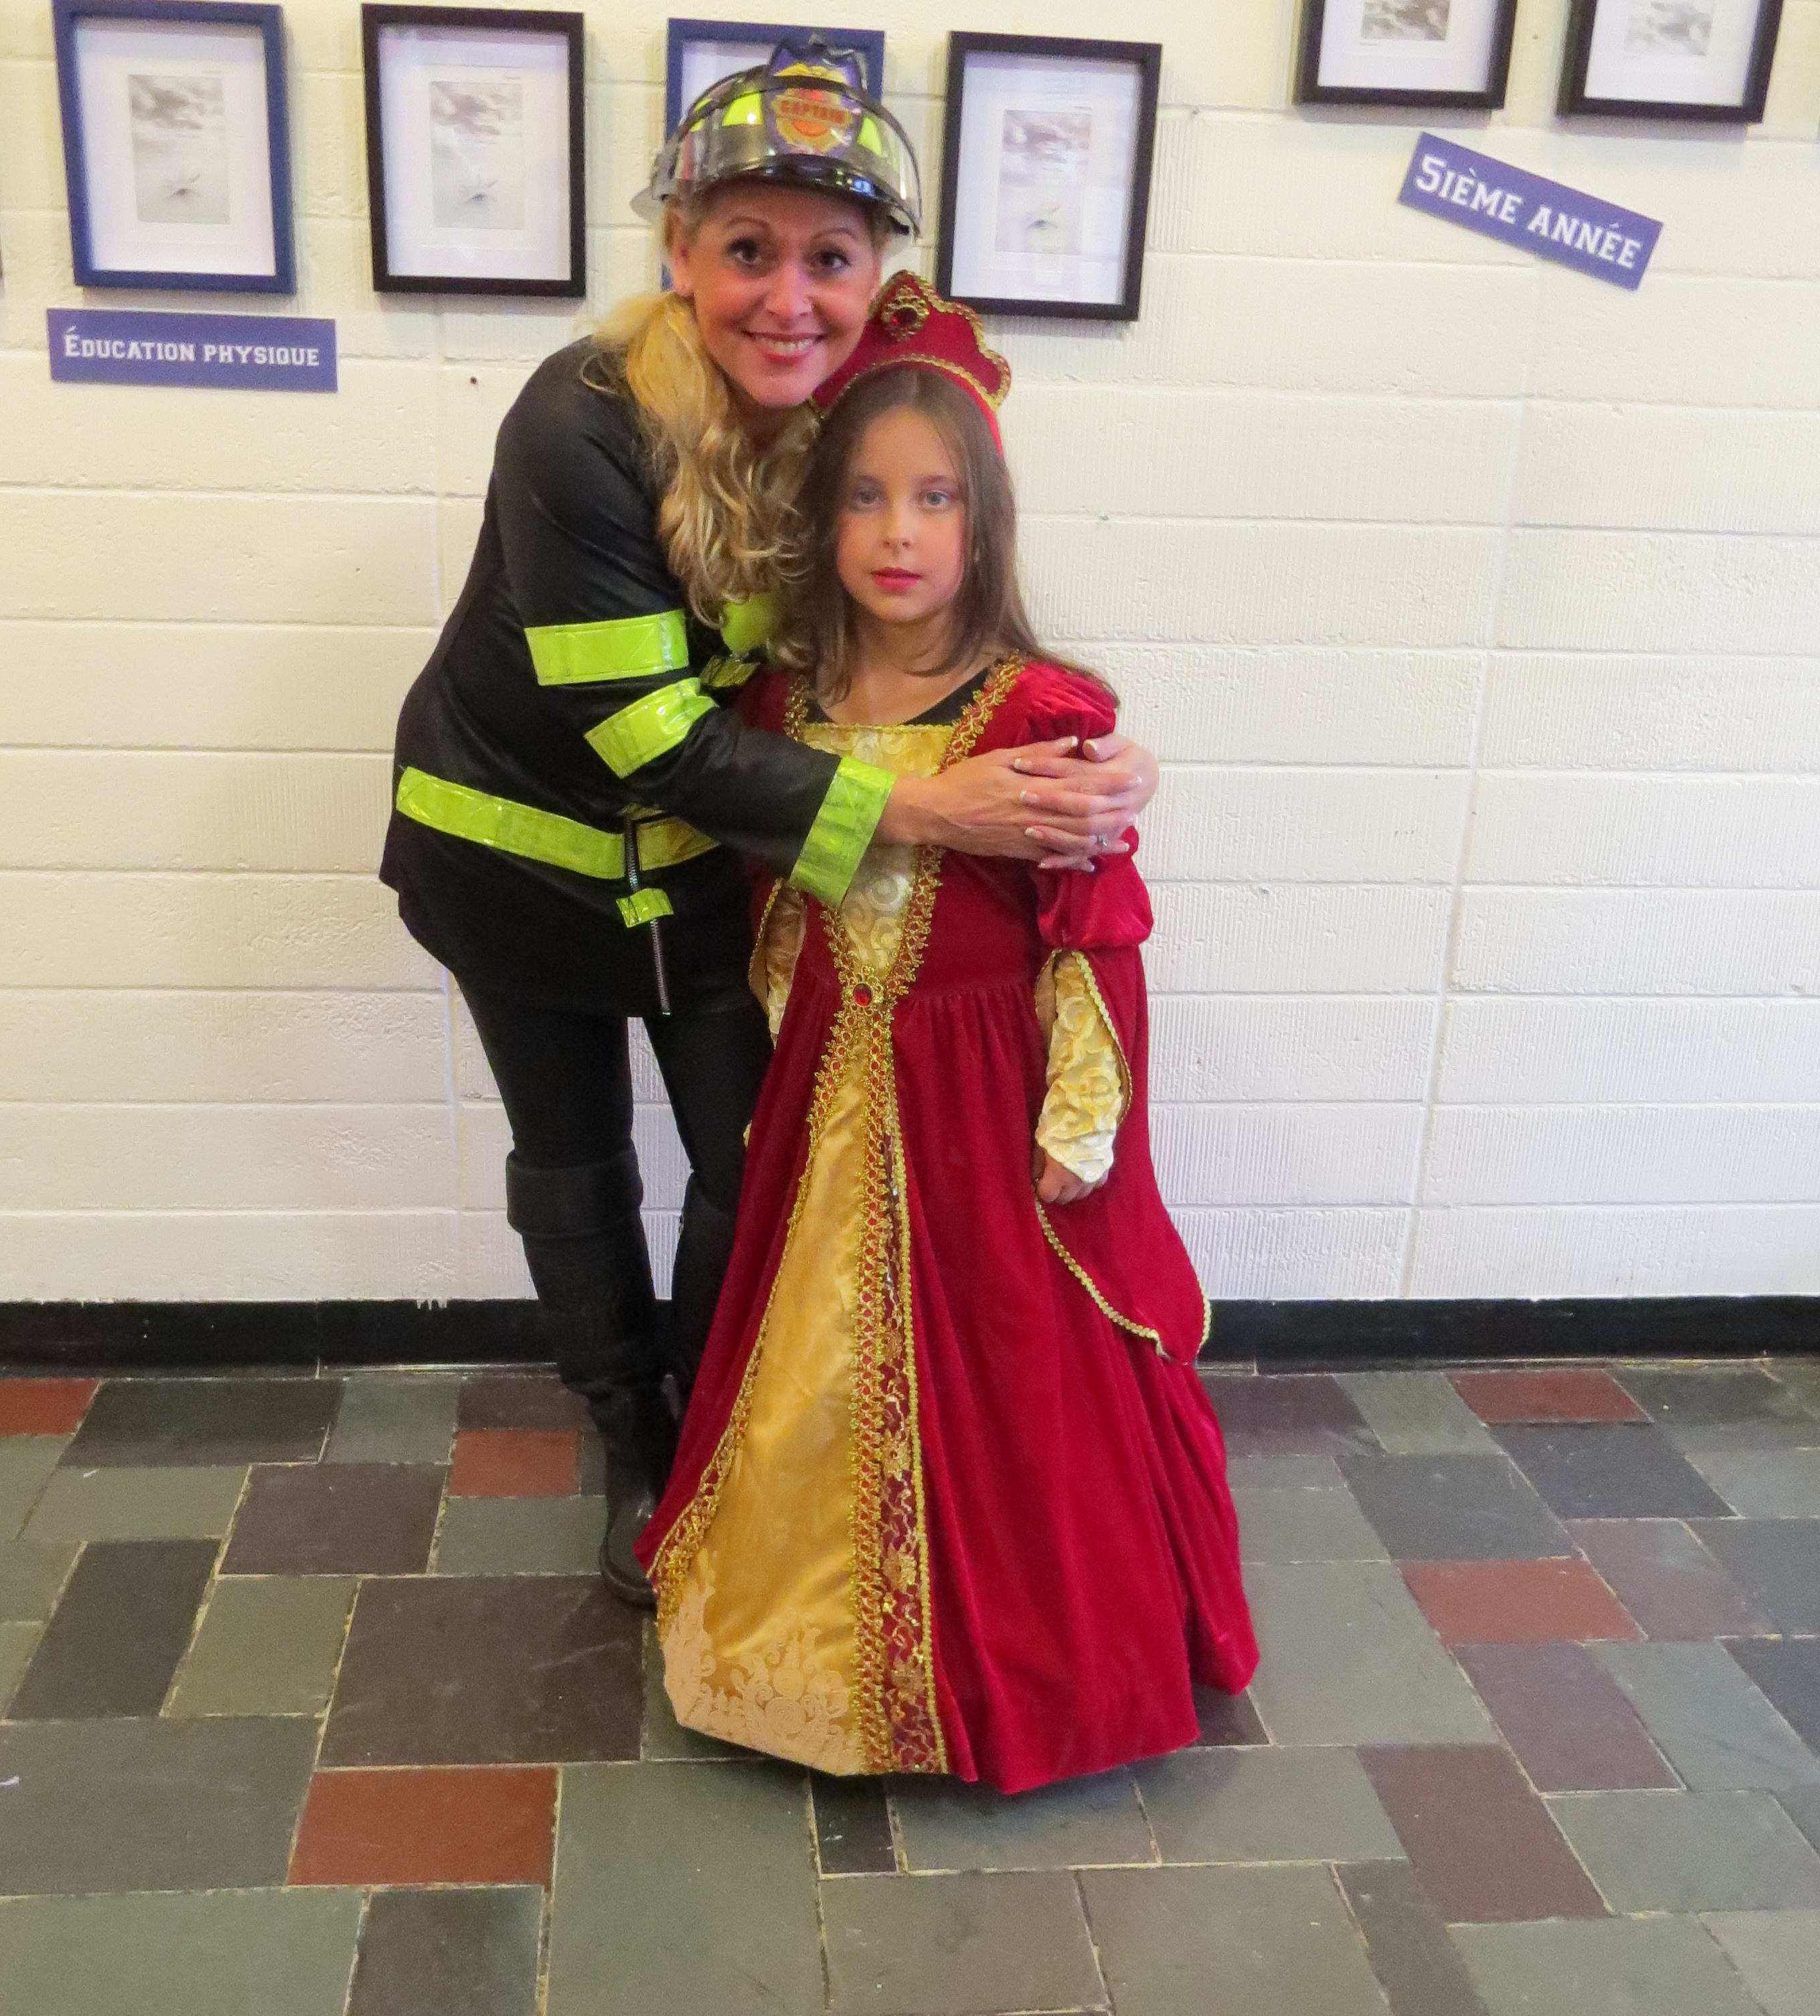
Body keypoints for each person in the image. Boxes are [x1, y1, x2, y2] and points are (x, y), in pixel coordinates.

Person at [378, 43, 1158, 1607]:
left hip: (707, 869)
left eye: (829, 258)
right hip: (511, 869)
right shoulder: (577, 422)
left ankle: (718, 1420)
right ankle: (634, 1443)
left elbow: (924, 609)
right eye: (748, 250)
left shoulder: (845, 412)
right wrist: (932, 807)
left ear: (877, 275)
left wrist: (1066, 745)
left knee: (756, 1155)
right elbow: (649, 736)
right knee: (575, 1162)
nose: (788, 297)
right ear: (678, 252)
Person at [638, 276, 1257, 1792]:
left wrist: (1080, 1114)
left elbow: (1091, 933)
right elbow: (771, 894)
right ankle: (807, 1653)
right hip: (831, 1089)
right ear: (821, 518)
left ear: (984, 522)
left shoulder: (1039, 711)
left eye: (933, 498)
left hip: (981, 1103)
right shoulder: (780, 703)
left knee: (1012, 1381)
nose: (897, 533)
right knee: (808, 1369)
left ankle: (1018, 1672)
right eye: (863, 496)